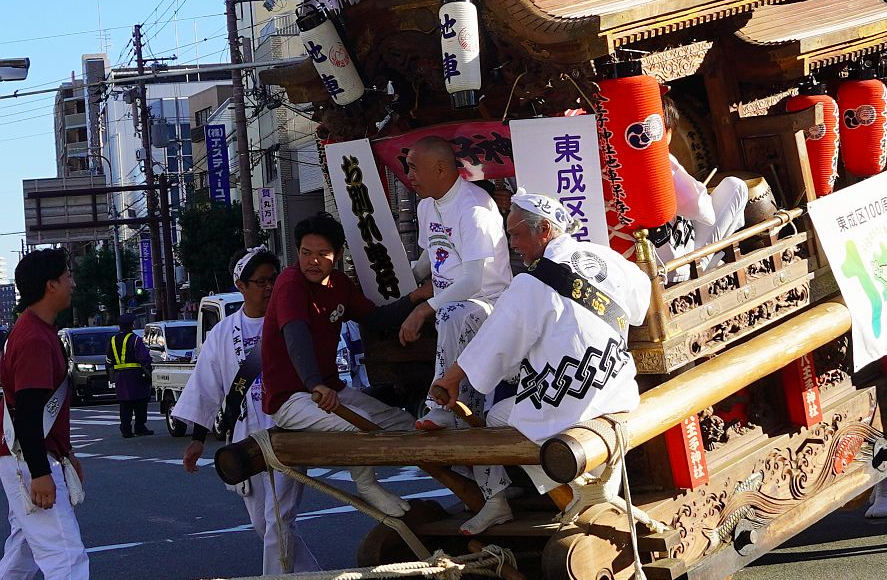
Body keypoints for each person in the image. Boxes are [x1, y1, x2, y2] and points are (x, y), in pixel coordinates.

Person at [433, 191, 652, 535]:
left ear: (544, 230)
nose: (512, 244)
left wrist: (452, 377)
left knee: (498, 417)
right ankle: (592, 491)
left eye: (516, 234)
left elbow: (496, 340)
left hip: (573, 402)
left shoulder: (531, 283)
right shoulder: (606, 257)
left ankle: (570, 497)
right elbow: (640, 307)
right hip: (617, 387)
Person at [174, 246, 326, 580]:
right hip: (246, 436)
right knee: (264, 523)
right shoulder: (223, 333)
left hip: (289, 430)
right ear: (241, 286)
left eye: (274, 279)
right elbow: (205, 386)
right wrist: (197, 438)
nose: (270, 287)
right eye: (261, 281)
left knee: (277, 519)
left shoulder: (291, 323)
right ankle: (311, 578)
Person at [262, 212, 425, 517]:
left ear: (337, 255)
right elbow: (296, 336)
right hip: (290, 398)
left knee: (402, 422)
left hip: (330, 388)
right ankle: (367, 486)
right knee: (358, 422)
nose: (312, 261)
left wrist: (417, 298)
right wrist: (314, 383)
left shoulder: (339, 284)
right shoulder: (290, 283)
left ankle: (462, 477)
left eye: (322, 254)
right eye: (305, 253)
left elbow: (375, 319)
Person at [0, 249, 95, 580]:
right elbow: (27, 413)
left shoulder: (33, 330)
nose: (72, 282)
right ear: (50, 285)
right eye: (67, 275)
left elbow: (35, 411)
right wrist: (41, 472)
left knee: (23, 554)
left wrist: (65, 453)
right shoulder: (35, 339)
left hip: (23, 456)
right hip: (27, 460)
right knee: (65, 557)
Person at [398, 136, 512, 430]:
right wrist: (400, 279)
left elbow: (473, 281)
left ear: (440, 168)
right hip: (451, 310)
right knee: (448, 313)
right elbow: (430, 256)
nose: (409, 176)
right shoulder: (426, 206)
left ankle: (439, 406)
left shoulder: (474, 208)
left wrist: (424, 309)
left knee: (451, 314)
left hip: (487, 306)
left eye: (413, 168)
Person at [654, 95, 748, 281]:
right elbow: (704, 211)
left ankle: (709, 260)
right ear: (666, 130)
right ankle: (706, 265)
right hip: (678, 269)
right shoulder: (660, 162)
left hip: (644, 269)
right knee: (736, 187)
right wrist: (699, 189)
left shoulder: (611, 164)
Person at [105, 311, 153, 438]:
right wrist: (149, 370)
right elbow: (144, 358)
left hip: (120, 377)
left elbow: (108, 361)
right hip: (136, 376)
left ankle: (125, 429)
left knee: (125, 404)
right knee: (140, 402)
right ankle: (140, 427)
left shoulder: (112, 340)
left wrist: (111, 375)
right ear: (131, 325)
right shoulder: (135, 339)